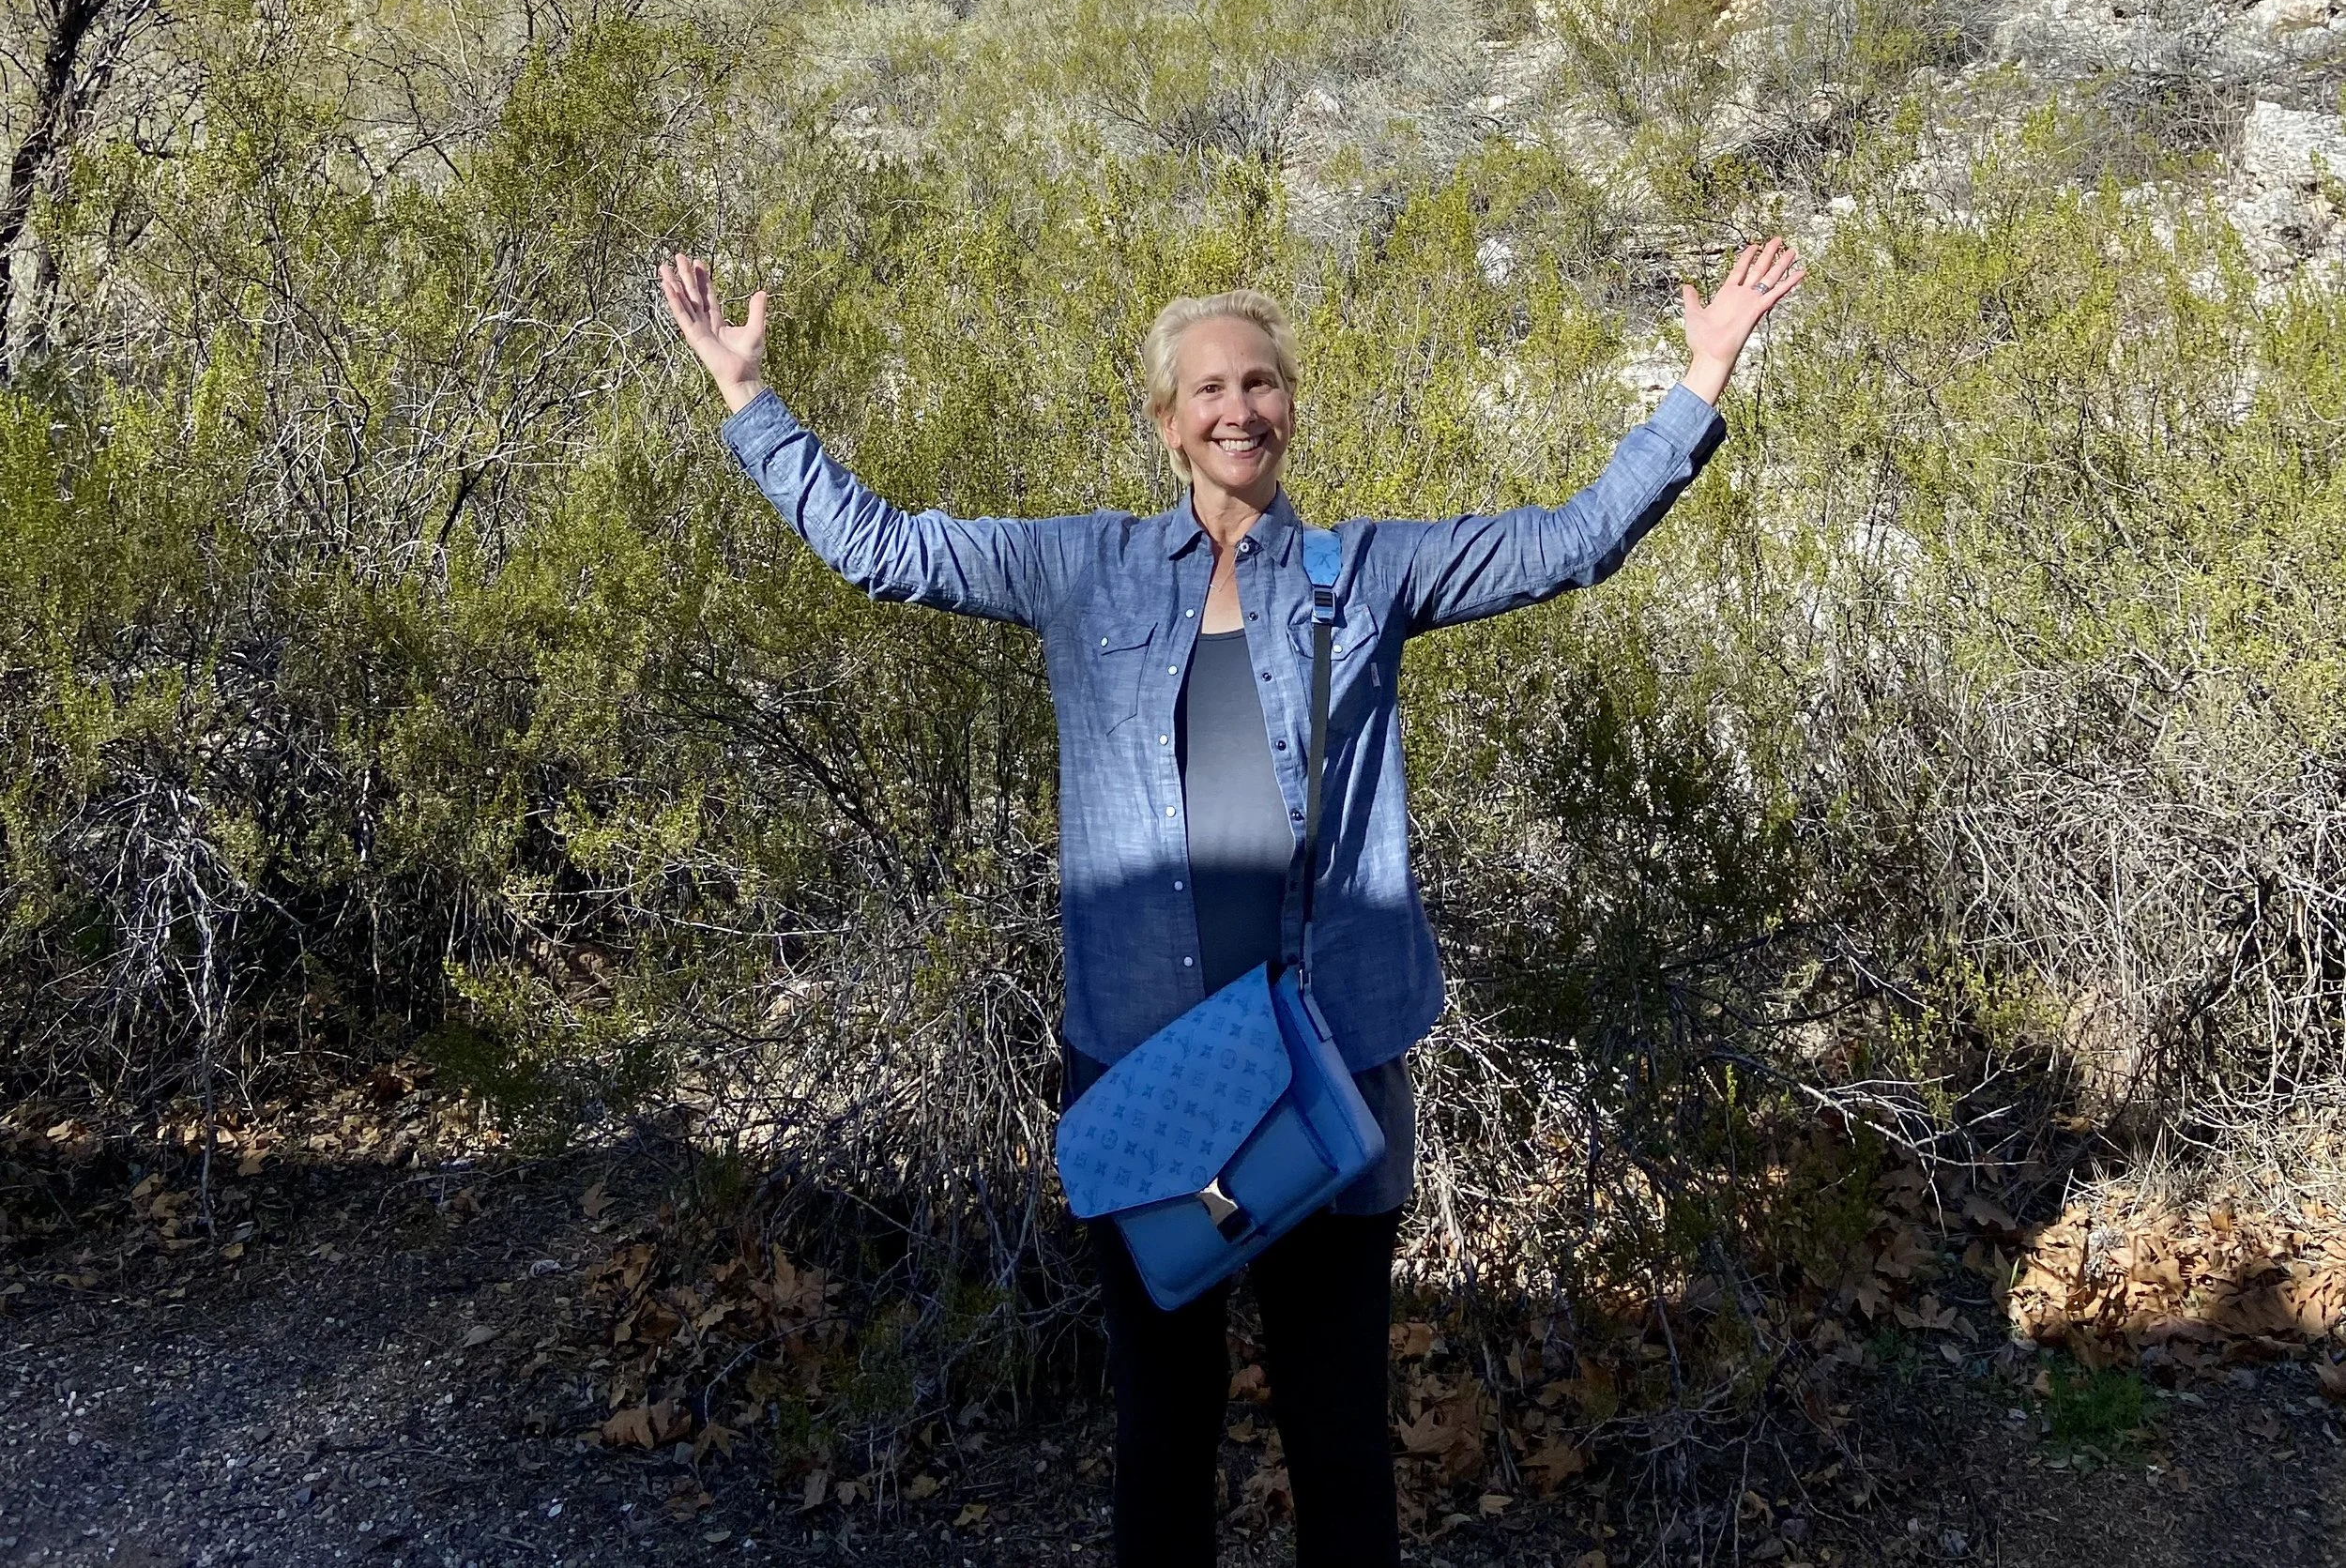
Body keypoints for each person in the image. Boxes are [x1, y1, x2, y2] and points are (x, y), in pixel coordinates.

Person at [659, 236, 1803, 1568]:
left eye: (1259, 383)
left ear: (1289, 405)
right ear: (1167, 422)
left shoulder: (1367, 573)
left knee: (1336, 1432)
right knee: (1163, 1430)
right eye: (1208, 390)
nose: (1238, 409)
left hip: (1332, 1064)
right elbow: (886, 549)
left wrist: (1701, 377)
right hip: (1150, 1067)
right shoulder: (1080, 569)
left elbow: (1569, 540)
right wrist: (752, 402)